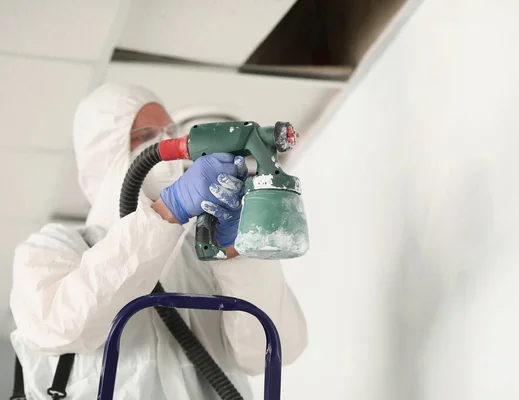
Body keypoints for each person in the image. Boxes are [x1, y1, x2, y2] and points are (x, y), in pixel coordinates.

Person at [9, 83, 308, 399]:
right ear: (104, 156)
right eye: (145, 136)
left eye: (170, 131)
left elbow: (276, 349)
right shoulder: (56, 248)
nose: (165, 141)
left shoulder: (201, 248)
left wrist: (238, 255)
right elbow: (60, 324)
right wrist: (168, 211)